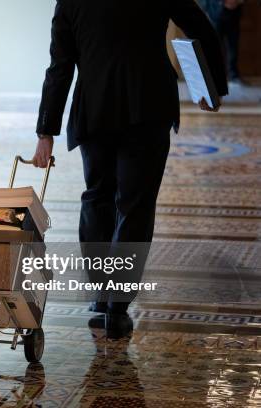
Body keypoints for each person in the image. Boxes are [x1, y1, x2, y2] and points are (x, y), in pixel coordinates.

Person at [33, 0, 227, 338]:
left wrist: (45, 131)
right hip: (149, 105)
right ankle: (117, 307)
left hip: (94, 108)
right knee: (135, 206)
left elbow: (60, 66)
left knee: (97, 198)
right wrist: (210, 87)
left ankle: (101, 294)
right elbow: (202, 29)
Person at [200, 0, 245, 83]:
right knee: (214, 47)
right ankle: (216, 76)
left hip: (234, 14)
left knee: (233, 47)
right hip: (214, 14)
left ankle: (233, 75)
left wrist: (238, 1)